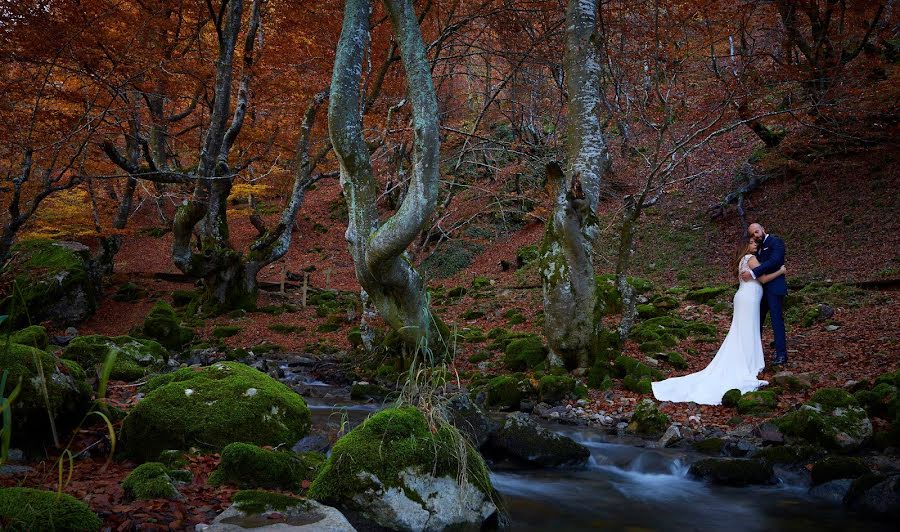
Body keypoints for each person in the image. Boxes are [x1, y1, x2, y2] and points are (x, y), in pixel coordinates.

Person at [651, 239, 785, 405]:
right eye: (751, 242)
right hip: (748, 299)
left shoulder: (744, 259)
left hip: (744, 297)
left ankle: (747, 360)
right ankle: (747, 363)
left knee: (742, 331)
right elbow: (763, 279)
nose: (755, 244)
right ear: (745, 246)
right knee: (746, 331)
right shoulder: (751, 258)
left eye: (755, 242)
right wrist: (780, 271)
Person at [741, 223, 788, 365]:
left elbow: (775, 261)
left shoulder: (776, 242)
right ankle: (754, 352)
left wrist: (754, 272)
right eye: (753, 234)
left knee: (776, 321)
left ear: (763, 229)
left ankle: (781, 354)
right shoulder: (757, 248)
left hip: (774, 288)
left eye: (757, 231)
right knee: (757, 321)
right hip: (760, 291)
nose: (756, 235)